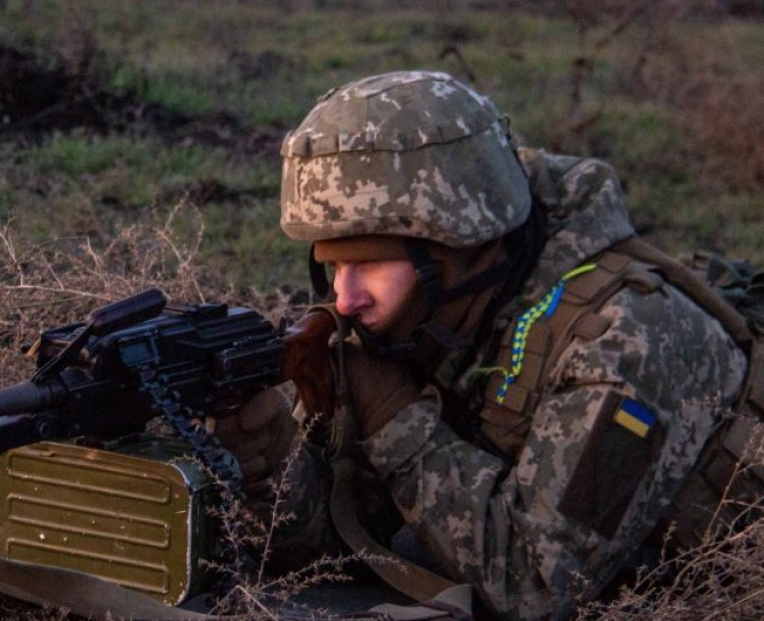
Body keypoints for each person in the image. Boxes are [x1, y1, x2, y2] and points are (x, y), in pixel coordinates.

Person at [213, 70, 763, 620]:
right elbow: (339, 538)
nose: (344, 296)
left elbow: (537, 588)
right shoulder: (434, 316)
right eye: (330, 265)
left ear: (456, 252)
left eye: (370, 262)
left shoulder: (624, 339)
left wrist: (392, 417)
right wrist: (268, 460)